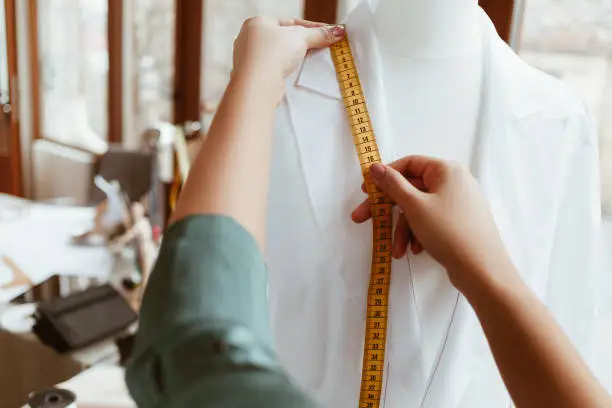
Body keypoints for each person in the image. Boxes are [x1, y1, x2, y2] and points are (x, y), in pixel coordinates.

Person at [125, 17, 612, 408]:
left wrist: (247, 88)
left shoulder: (561, 117)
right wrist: (488, 271)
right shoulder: (289, 88)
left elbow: (189, 343)